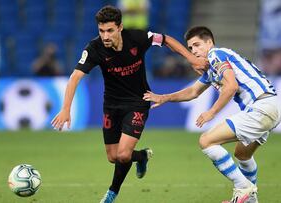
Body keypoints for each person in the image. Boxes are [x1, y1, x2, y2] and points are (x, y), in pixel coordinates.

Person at [51, 6, 205, 203]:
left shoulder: (138, 38)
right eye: (101, 31)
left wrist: (191, 59)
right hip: (111, 105)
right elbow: (74, 78)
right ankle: (141, 157)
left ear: (120, 27)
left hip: (138, 102)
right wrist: (65, 109)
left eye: (110, 30)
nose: (105, 36)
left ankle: (111, 193)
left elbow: (166, 40)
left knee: (123, 155)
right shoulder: (94, 49)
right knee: (113, 156)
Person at [143, 26, 281, 203]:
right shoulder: (211, 68)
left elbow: (231, 87)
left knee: (206, 141)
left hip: (260, 107)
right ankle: (250, 199)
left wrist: (212, 112)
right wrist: (165, 97)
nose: (194, 51)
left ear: (209, 42)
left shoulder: (215, 54)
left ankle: (243, 187)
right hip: (273, 107)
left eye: (197, 45)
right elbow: (193, 92)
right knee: (242, 154)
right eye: (191, 48)